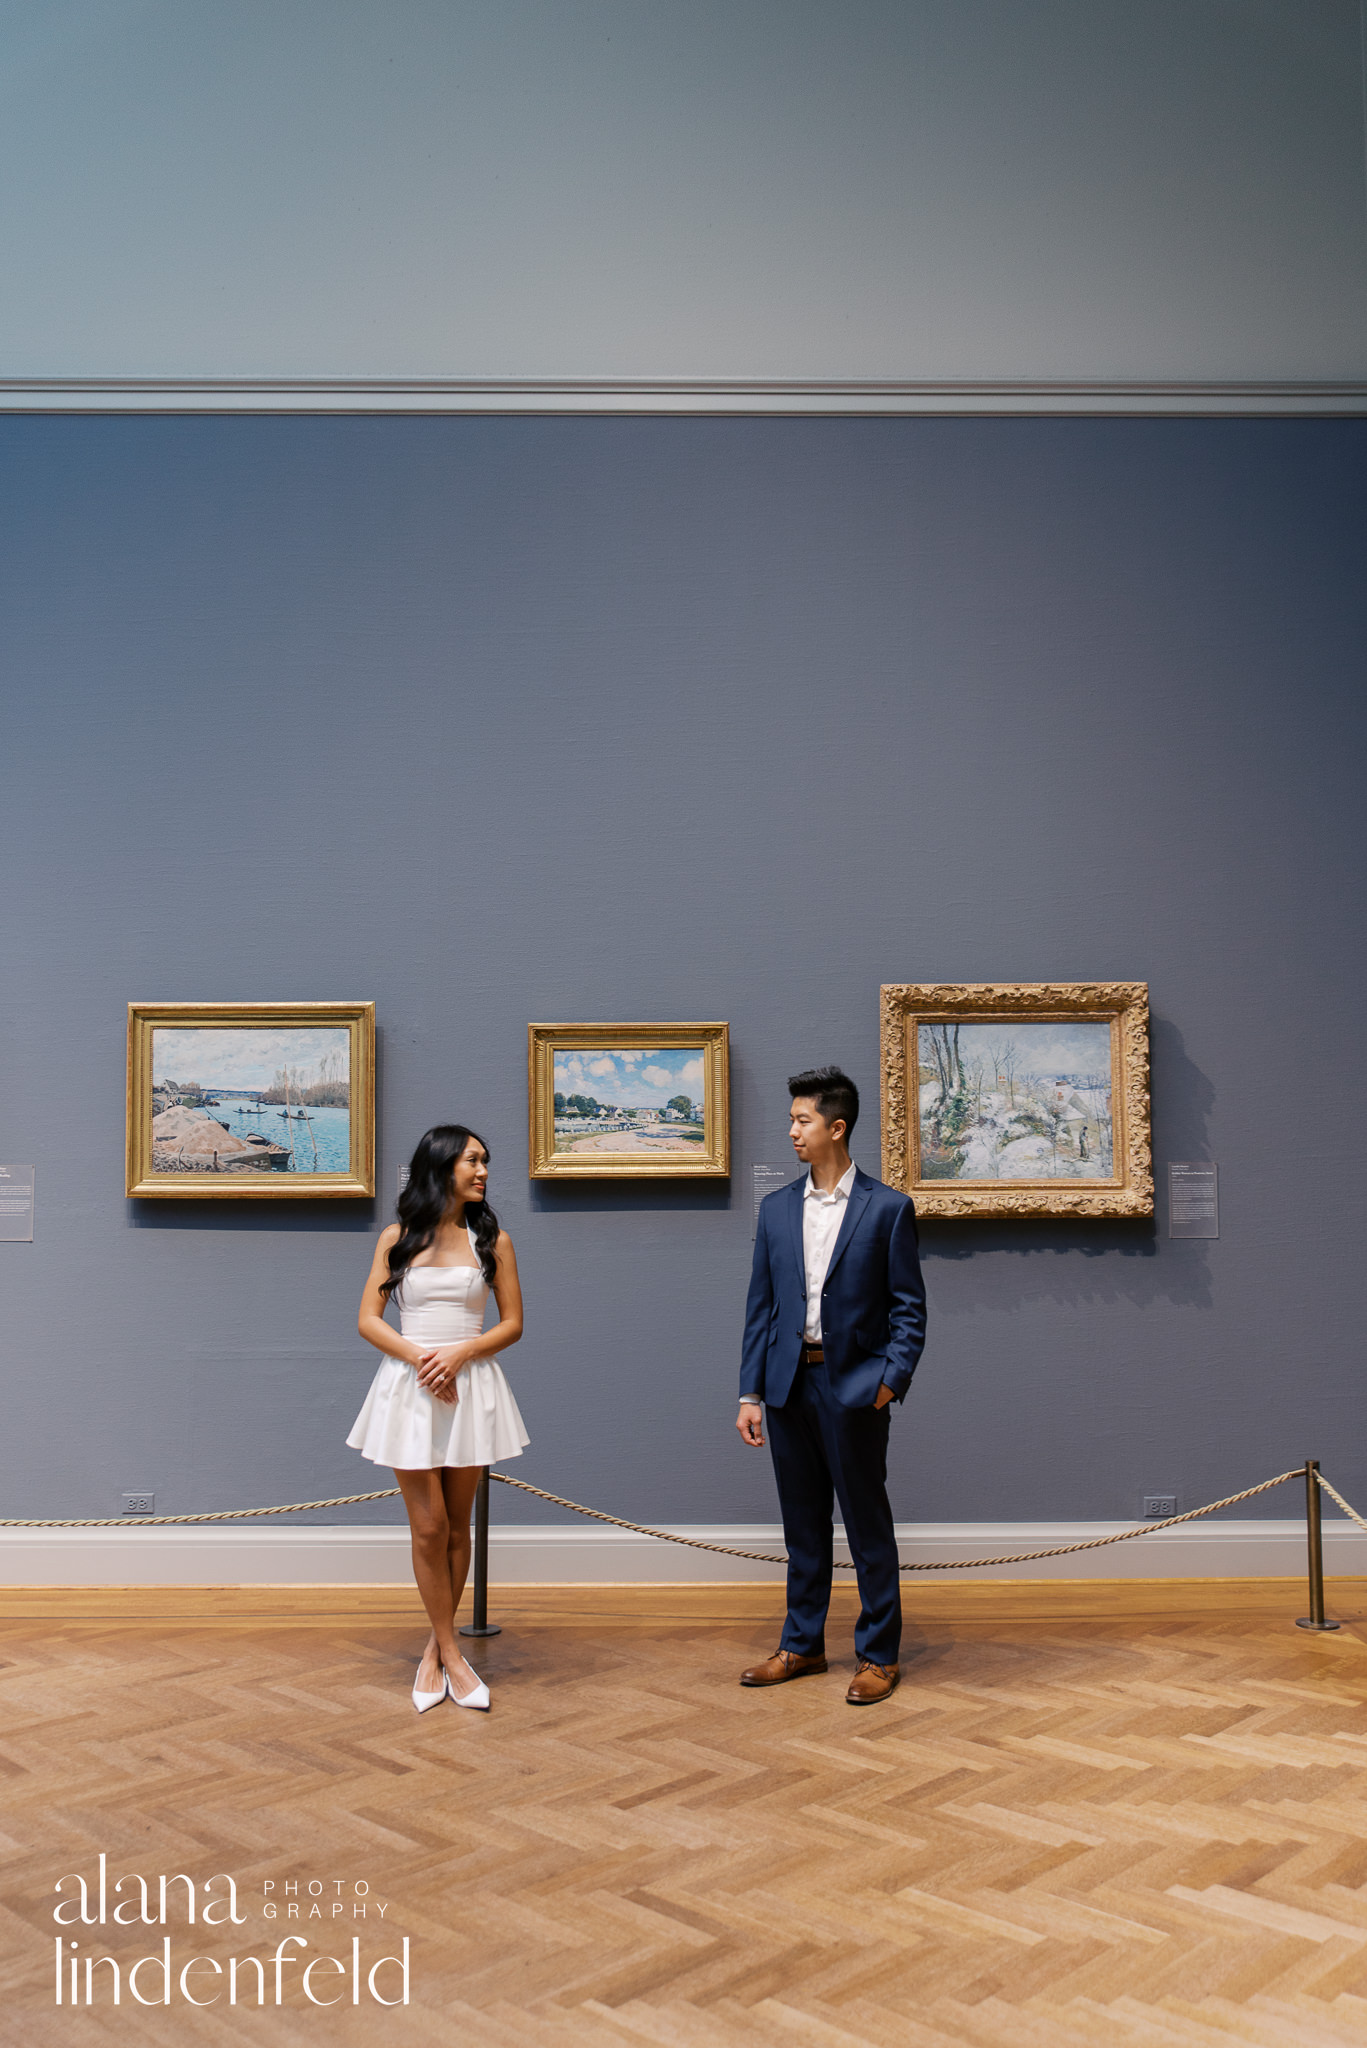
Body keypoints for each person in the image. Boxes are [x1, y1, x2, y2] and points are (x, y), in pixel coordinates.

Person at [737, 1067, 926, 1704]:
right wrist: (749, 1393)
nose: (791, 1130)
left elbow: (909, 1309)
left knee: (867, 1525)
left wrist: (888, 1382)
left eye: (802, 1120)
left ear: (835, 1128)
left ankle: (878, 1655)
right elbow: (760, 1307)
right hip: (788, 1388)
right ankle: (803, 1645)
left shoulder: (890, 1209)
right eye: (792, 1119)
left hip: (854, 1390)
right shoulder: (776, 1209)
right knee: (802, 1528)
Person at [351, 1124, 529, 1713]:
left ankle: (437, 1648)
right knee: (427, 1529)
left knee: (458, 1528)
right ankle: (453, 1654)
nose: (482, 1172)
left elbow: (512, 1324)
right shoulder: (396, 1237)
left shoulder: (493, 1239)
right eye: (472, 1161)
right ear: (441, 1165)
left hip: (470, 1385)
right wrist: (424, 1360)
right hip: (411, 1388)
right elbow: (369, 1320)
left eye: (485, 1162)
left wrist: (460, 1354)